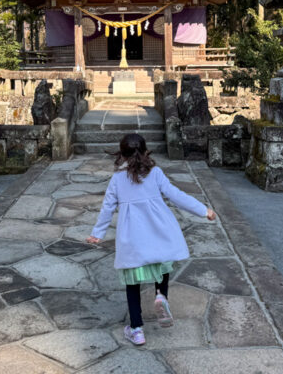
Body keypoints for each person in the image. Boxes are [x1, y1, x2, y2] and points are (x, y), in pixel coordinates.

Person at [86, 133, 216, 346]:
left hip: (133, 239)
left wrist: (97, 233)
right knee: (162, 265)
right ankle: (161, 296)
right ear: (146, 152)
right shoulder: (155, 174)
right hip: (158, 232)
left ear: (122, 154)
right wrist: (204, 210)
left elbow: (107, 208)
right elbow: (176, 195)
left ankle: (137, 330)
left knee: (132, 282)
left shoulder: (117, 179)